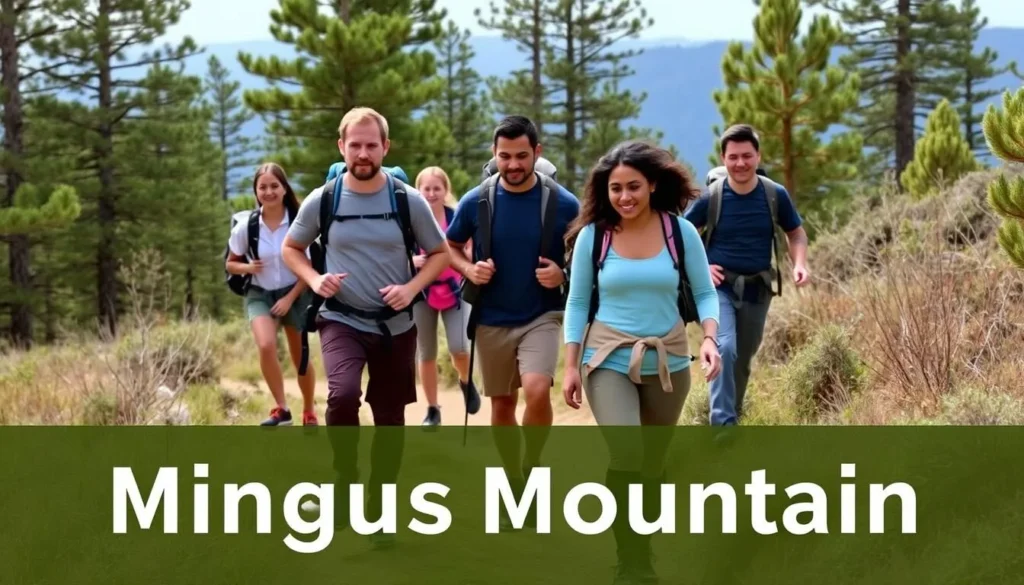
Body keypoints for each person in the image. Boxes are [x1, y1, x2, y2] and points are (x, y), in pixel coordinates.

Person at [280, 107, 451, 548]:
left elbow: (440, 254)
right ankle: (344, 478)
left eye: (371, 144)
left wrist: (411, 288)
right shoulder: (326, 198)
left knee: (390, 419)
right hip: (342, 318)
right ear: (342, 147)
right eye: (354, 144)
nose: (362, 152)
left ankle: (379, 505)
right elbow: (291, 247)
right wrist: (316, 280)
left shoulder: (405, 198)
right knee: (342, 395)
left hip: (395, 326)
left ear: (385, 147)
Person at [560, 140, 722, 583]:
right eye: (615, 189)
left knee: (652, 463)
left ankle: (643, 549)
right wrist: (572, 365)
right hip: (606, 356)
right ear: (605, 190)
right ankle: (630, 562)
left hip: (668, 358)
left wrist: (709, 339)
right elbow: (577, 304)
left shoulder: (678, 232)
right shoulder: (595, 235)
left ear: (652, 184)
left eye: (633, 186)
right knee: (627, 451)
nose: (625, 197)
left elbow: (705, 293)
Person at [445, 115, 580, 518]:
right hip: (490, 317)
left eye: (522, 156)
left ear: (537, 153)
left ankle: (532, 466)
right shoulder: (476, 201)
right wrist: (468, 269)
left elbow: (587, 256)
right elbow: (449, 246)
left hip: (541, 314)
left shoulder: (564, 204)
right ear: (494, 154)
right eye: (505, 156)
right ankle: (512, 483)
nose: (514, 164)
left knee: (537, 390)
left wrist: (564, 274)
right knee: (502, 405)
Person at [684, 124, 810, 426]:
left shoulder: (773, 195)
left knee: (742, 358)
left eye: (747, 156)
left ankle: (733, 414)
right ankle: (722, 425)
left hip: (758, 288)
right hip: (718, 288)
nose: (740, 163)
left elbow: (796, 233)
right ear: (723, 158)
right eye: (733, 157)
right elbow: (680, 236)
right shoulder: (711, 198)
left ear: (758, 156)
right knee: (723, 346)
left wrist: (800, 264)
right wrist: (698, 269)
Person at [225, 162, 318, 427]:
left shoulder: (299, 223)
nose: (268, 191)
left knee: (300, 356)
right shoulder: (247, 226)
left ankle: (309, 410)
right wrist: (247, 267)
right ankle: (282, 408)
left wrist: (289, 299)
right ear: (255, 191)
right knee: (265, 345)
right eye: (262, 187)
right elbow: (231, 263)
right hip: (259, 292)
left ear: (284, 188)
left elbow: (308, 268)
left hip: (296, 292)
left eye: (274, 186)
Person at [412, 166, 480, 427]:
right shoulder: (411, 220)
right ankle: (432, 409)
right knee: (425, 352)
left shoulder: (456, 217)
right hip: (421, 289)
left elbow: (470, 251)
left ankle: (465, 381)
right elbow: (396, 252)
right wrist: (411, 260)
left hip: (455, 289)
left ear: (445, 191)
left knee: (459, 348)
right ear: (418, 191)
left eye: (436, 188)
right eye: (426, 189)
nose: (431, 193)